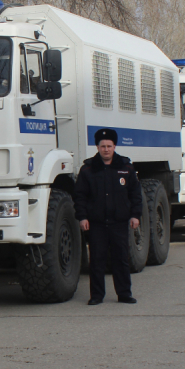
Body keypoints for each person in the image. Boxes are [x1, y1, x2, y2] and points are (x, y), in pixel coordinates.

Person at [74, 128, 142, 305]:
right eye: (102, 146)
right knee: (97, 260)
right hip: (96, 224)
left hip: (119, 222)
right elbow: (80, 196)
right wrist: (82, 217)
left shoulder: (126, 168)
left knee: (121, 260)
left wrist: (135, 215)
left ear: (114, 146)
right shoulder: (88, 169)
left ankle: (124, 294)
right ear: (97, 147)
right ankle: (97, 295)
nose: (106, 149)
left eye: (109, 146)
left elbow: (135, 194)